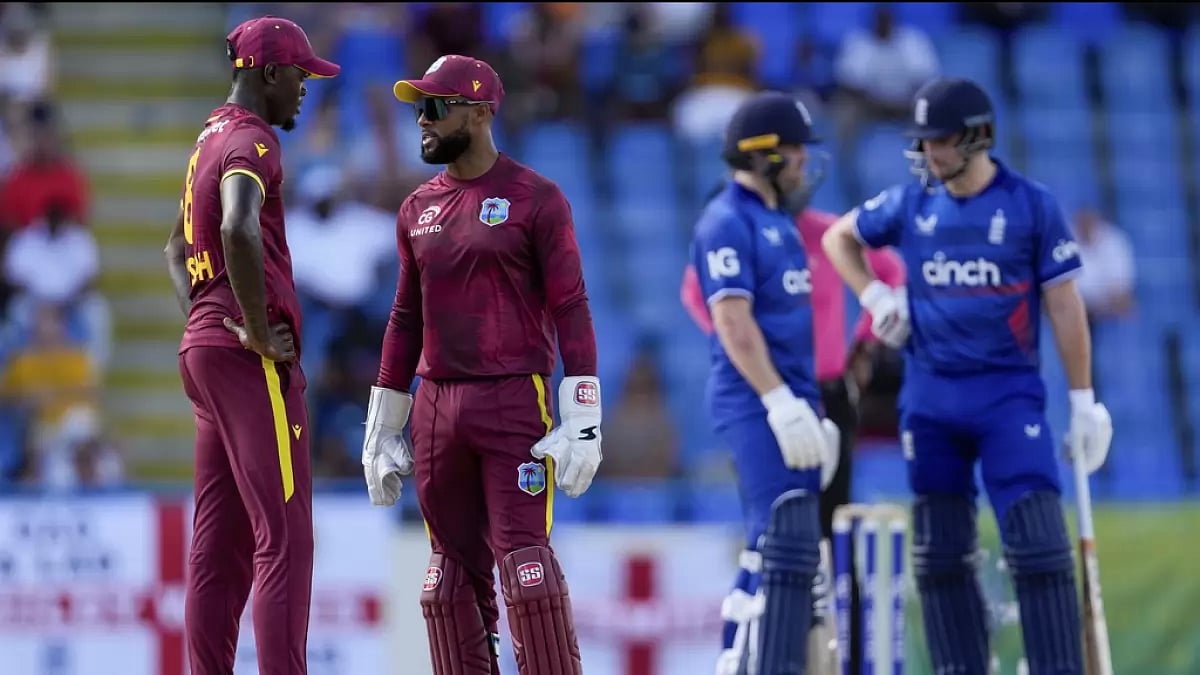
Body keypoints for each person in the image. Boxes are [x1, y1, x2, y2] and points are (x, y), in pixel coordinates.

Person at [821, 77, 1113, 675]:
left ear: (978, 136)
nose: (930, 153)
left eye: (942, 141)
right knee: (940, 556)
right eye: (923, 141)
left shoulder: (1030, 205)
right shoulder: (912, 202)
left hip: (1007, 399)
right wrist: (875, 296)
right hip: (930, 404)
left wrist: (1084, 401)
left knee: (1038, 548)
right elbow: (838, 239)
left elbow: (1064, 304)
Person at [359, 54, 601, 675]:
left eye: (435, 108)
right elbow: (405, 318)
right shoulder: (416, 209)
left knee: (526, 572)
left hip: (513, 401)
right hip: (436, 407)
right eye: (418, 109)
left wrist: (584, 415)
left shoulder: (536, 198)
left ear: (480, 111)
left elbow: (570, 304)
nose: (423, 121)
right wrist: (384, 423)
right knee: (446, 584)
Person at [162, 15, 339, 675]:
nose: (304, 90)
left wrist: (205, 314)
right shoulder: (253, 140)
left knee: (220, 545)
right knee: (285, 538)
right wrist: (258, 327)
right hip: (246, 355)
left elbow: (175, 248)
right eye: (299, 76)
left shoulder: (207, 139)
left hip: (206, 350)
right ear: (268, 73)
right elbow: (239, 225)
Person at [680, 177, 905, 675]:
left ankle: (836, 651)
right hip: (765, 396)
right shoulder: (741, 239)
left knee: (831, 523)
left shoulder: (825, 234)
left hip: (826, 391)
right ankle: (773, 648)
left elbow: (891, 271)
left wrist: (865, 342)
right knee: (773, 528)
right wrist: (736, 351)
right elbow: (698, 294)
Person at [687, 90, 843, 675]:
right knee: (784, 539)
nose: (805, 163)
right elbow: (731, 320)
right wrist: (779, 401)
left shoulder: (775, 221)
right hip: (755, 402)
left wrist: (808, 406)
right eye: (797, 152)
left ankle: (741, 661)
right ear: (764, 155)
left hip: (791, 400)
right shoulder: (725, 220)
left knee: (787, 547)